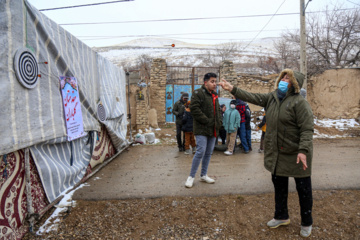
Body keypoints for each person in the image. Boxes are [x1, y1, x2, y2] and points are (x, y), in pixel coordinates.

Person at [219, 69, 314, 238]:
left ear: (296, 84)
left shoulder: (300, 103)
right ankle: (281, 216)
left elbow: (307, 129)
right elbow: (252, 96)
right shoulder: (272, 97)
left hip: (297, 153)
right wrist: (232, 89)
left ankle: (307, 222)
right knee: (279, 186)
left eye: (289, 78)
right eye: (283, 77)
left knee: (303, 189)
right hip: (278, 152)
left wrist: (303, 151)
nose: (284, 80)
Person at [185, 72, 222, 188]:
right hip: (201, 128)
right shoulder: (198, 93)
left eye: (215, 81)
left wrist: (219, 122)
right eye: (212, 81)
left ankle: (203, 175)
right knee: (200, 151)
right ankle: (191, 177)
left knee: (208, 153)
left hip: (213, 129)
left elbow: (218, 111)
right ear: (205, 82)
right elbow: (194, 109)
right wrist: (207, 121)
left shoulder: (214, 95)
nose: (214, 84)